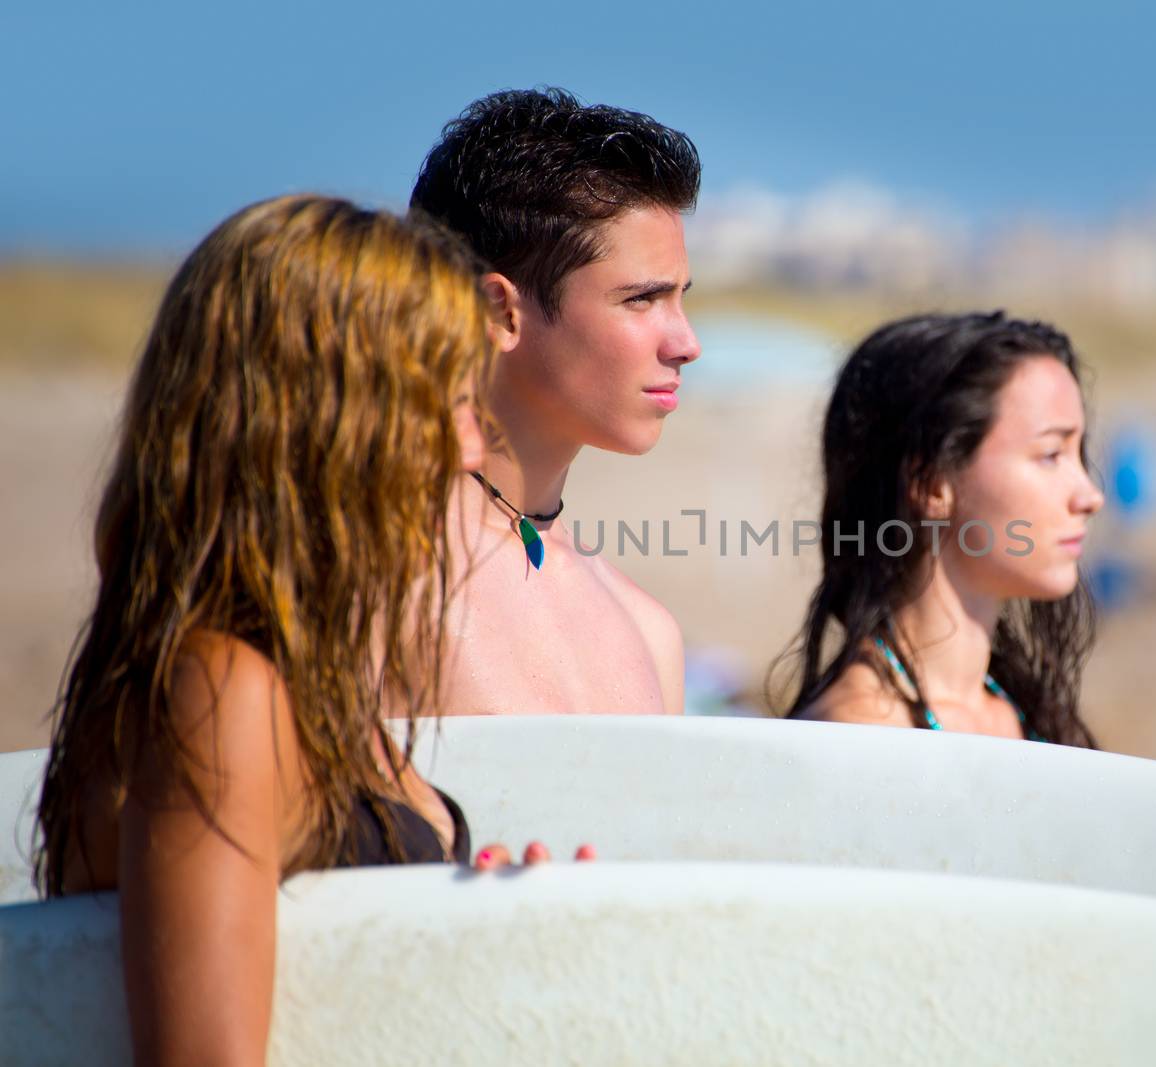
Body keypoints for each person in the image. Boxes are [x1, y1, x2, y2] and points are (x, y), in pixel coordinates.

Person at [31, 195, 564, 1067]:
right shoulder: (216, 689)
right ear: (329, 421)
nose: (475, 445)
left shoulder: (283, 675)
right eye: (452, 400)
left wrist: (478, 921)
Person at [409, 88, 701, 717]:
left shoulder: (650, 631)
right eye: (641, 299)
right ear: (499, 313)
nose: (686, 343)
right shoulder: (367, 590)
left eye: (681, 297)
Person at [783, 312, 1105, 744]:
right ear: (932, 486)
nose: (1089, 495)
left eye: (1078, 453)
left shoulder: (1020, 710)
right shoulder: (861, 737)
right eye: (1050, 454)